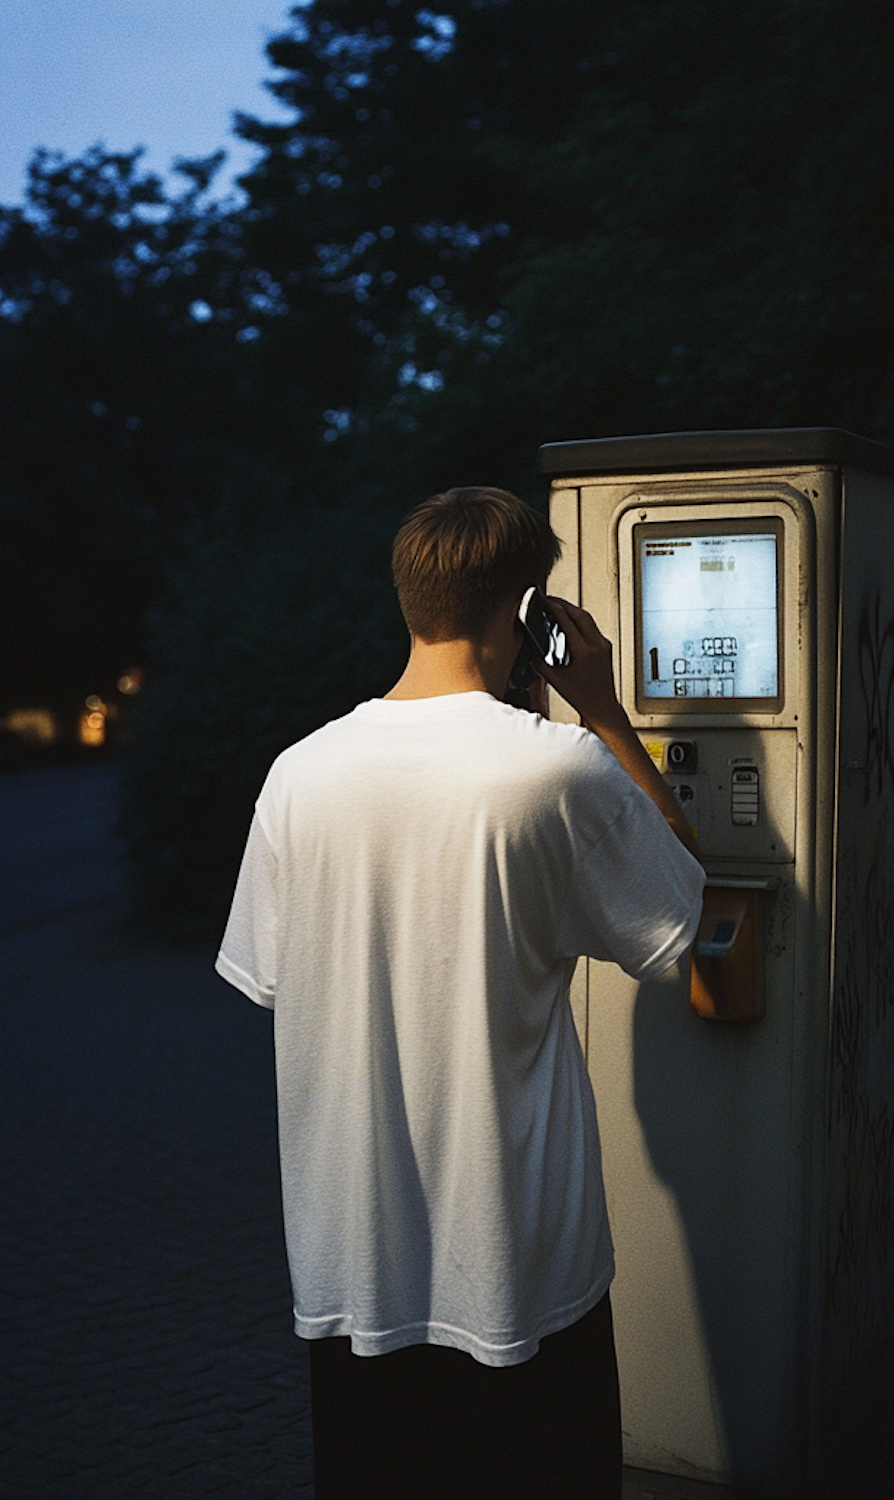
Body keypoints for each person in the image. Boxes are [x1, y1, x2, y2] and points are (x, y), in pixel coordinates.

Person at [216, 486, 704, 1499]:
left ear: (408, 599)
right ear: (528, 612)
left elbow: (265, 977)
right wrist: (604, 710)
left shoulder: (297, 774)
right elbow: (680, 900)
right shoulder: (559, 770)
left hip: (355, 1259)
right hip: (522, 1256)